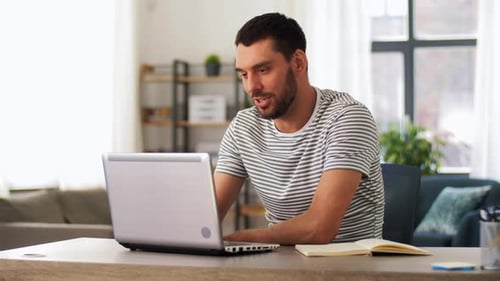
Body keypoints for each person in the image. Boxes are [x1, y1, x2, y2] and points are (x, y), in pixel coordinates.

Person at [214, 12, 384, 245]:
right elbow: (207, 214)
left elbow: (319, 229)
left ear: (298, 63)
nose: (252, 87)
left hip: (351, 268)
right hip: (282, 266)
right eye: (244, 74)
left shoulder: (347, 118)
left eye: (263, 70)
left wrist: (241, 239)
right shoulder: (244, 127)